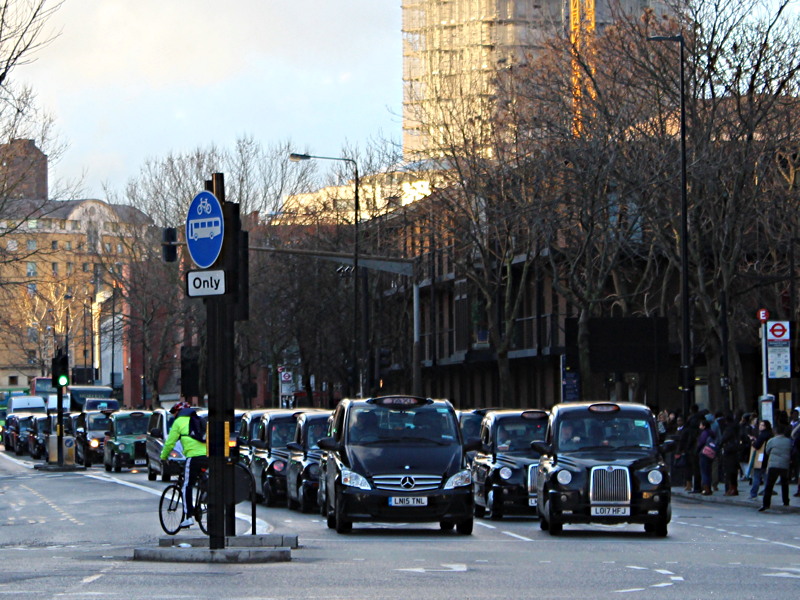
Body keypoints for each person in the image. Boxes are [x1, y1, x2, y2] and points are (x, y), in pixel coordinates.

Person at [160, 401, 207, 528]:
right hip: (208, 456)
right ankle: (206, 494)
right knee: (203, 480)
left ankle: (189, 516)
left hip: (193, 457)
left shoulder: (178, 422)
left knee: (187, 486)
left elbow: (170, 443)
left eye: (174, 413)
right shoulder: (199, 419)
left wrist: (164, 457)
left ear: (178, 412)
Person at [759, 424, 792, 511]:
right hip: (785, 465)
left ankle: (766, 504)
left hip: (773, 465)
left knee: (769, 485)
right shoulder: (788, 441)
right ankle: (786, 501)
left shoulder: (772, 441)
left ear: (775, 431)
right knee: (785, 484)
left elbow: (767, 451)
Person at [749, 420, 773, 500]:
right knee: (766, 477)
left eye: (762, 425)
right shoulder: (770, 434)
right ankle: (767, 493)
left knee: (756, 476)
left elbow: (757, 445)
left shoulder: (763, 435)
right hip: (768, 457)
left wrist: (752, 441)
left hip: (761, 458)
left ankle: (753, 494)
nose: (760, 426)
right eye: (760, 425)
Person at [696, 419, 716, 495]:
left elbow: (701, 443)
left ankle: (706, 488)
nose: (699, 426)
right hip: (711, 454)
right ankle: (709, 487)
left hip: (704, 453)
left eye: (701, 425)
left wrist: (697, 450)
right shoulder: (712, 433)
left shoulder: (704, 433)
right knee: (708, 471)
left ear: (704, 426)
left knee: (704, 471)